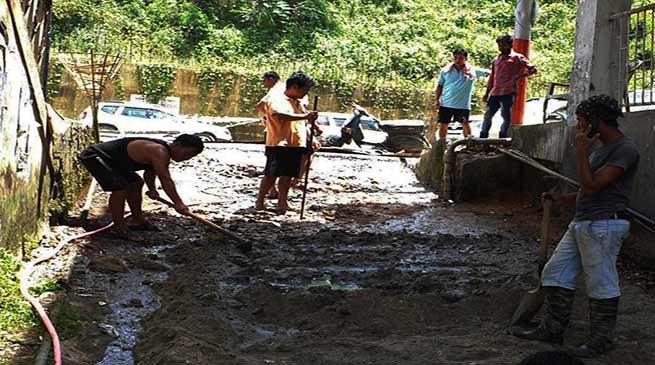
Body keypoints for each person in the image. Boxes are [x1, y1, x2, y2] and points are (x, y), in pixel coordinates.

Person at [513, 95, 640, 359]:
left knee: (601, 281)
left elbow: (594, 186)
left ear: (596, 121)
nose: (579, 128)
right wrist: (563, 198)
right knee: (555, 272)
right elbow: (588, 189)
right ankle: (553, 328)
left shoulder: (624, 149)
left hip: (604, 223)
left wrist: (581, 151)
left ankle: (601, 339)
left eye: (582, 121)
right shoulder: (600, 149)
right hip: (584, 221)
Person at [79, 134, 204, 241]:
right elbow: (166, 179)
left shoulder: (163, 154)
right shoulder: (159, 151)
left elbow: (150, 173)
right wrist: (178, 203)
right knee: (120, 189)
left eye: (190, 157)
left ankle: (138, 220)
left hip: (115, 162)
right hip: (95, 156)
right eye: (186, 153)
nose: (185, 158)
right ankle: (119, 228)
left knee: (136, 182)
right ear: (178, 144)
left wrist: (153, 190)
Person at [255, 71, 318, 214]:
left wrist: (312, 122)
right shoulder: (277, 98)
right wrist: (305, 116)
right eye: (305, 90)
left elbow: (303, 116)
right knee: (271, 174)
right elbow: (280, 115)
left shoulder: (297, 102)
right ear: (295, 86)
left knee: (287, 175)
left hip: (295, 143)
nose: (306, 93)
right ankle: (260, 201)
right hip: (279, 143)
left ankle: (282, 202)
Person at [480, 34, 537, 138]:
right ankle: (483, 137)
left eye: (503, 45)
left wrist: (520, 76)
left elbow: (532, 69)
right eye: (499, 45)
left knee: (506, 117)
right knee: (488, 115)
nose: (501, 48)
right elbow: (492, 78)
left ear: (510, 45)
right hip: (496, 92)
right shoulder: (496, 60)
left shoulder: (517, 57)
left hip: (508, 92)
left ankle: (503, 138)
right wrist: (487, 93)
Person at [435, 48, 489, 140]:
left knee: (465, 123)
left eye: (460, 58)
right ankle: (442, 144)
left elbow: (490, 74)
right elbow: (440, 85)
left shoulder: (472, 71)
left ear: (465, 59)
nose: (457, 60)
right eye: (455, 58)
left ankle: (468, 144)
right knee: (444, 124)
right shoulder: (446, 70)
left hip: (463, 104)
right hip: (446, 103)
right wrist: (437, 100)